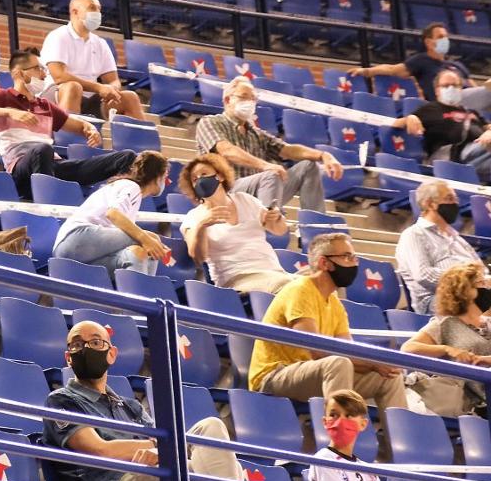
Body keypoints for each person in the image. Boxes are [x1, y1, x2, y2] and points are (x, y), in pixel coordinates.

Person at [43, 320, 244, 481]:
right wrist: (156, 448)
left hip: (150, 474)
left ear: (111, 354)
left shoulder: (131, 406)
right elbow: (100, 450)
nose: (86, 348)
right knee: (188, 470)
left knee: (211, 429)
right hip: (115, 480)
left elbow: (161, 443)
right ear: (69, 358)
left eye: (96, 342)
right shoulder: (61, 400)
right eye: (77, 344)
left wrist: (159, 450)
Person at [248, 233, 407, 412]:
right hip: (275, 376)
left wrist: (379, 365)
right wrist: (372, 363)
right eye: (347, 257)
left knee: (389, 376)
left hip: (315, 373)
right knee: (339, 363)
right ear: (325, 263)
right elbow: (316, 350)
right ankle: (339, 436)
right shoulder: (300, 290)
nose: (355, 263)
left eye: (355, 258)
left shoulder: (334, 302)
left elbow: (348, 350)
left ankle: (401, 439)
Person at [0, 49, 135, 201]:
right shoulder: (2, 96)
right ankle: (48, 203)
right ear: (19, 73)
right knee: (42, 149)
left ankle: (117, 205)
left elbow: (77, 125)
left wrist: (89, 128)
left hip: (53, 166)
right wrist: (11, 112)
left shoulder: (45, 105)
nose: (44, 75)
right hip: (20, 170)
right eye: (38, 69)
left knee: (126, 157)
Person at [195, 77, 343, 214]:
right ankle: (266, 221)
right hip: (226, 192)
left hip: (260, 190)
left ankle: (314, 227)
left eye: (253, 99)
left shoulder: (255, 133)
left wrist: (323, 155)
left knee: (308, 167)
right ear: (227, 100)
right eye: (244, 97)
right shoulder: (210, 122)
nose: (250, 102)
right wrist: (266, 166)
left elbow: (287, 149)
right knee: (271, 174)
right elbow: (227, 150)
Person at [178, 153, 293, 293]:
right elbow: (197, 256)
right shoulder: (194, 217)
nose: (200, 180)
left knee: (317, 284)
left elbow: (279, 230)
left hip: (273, 272)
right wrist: (202, 226)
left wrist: (277, 217)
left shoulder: (245, 199)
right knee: (292, 288)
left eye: (204, 174)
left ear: (219, 176)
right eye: (195, 179)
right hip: (237, 279)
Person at [52, 151, 170, 275]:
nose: (165, 182)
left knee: (137, 254)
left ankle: (143, 292)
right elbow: (113, 213)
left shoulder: (133, 195)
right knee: (151, 239)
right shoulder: (131, 187)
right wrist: (145, 238)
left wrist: (147, 242)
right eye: (165, 176)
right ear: (158, 177)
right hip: (75, 238)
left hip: (83, 256)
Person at [401, 263, 491, 416]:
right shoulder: (446, 323)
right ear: (462, 291)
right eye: (480, 283)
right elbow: (408, 348)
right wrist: (447, 349)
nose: (487, 288)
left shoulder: (488, 322)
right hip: (472, 401)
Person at [41, 0, 145, 120]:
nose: (97, 13)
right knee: (74, 87)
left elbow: (113, 80)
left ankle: (143, 139)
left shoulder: (100, 43)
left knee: (130, 97)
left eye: (99, 9)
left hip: (91, 98)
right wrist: (99, 87)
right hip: (57, 94)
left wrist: (111, 90)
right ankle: (66, 135)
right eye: (92, 8)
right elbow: (59, 76)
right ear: (75, 12)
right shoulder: (58, 36)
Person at [396, 179, 483, 314]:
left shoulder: (458, 239)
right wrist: (465, 281)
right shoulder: (413, 235)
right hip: (435, 300)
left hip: (472, 294)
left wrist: (480, 281)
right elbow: (423, 275)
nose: (455, 204)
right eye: (449, 199)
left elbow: (482, 271)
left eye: (456, 199)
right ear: (430, 204)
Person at [350, 22, 477, 104]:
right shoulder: (421, 61)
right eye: (440, 37)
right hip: (443, 107)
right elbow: (392, 69)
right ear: (428, 42)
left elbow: (476, 90)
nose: (445, 40)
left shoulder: (457, 65)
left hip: (468, 107)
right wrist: (366, 71)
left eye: (446, 37)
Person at [413, 70, 491, 180]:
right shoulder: (429, 109)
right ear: (437, 90)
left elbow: (488, 126)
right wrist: (410, 118)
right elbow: (401, 123)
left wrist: (489, 132)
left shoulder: (471, 111)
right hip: (456, 156)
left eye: (455, 85)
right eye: (446, 86)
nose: (451, 88)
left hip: (483, 150)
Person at [309, 390, 381, 481]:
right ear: (325, 422)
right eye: (333, 415)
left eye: (349, 415)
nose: (340, 421)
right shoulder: (324, 459)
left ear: (363, 424)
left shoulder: (368, 471)